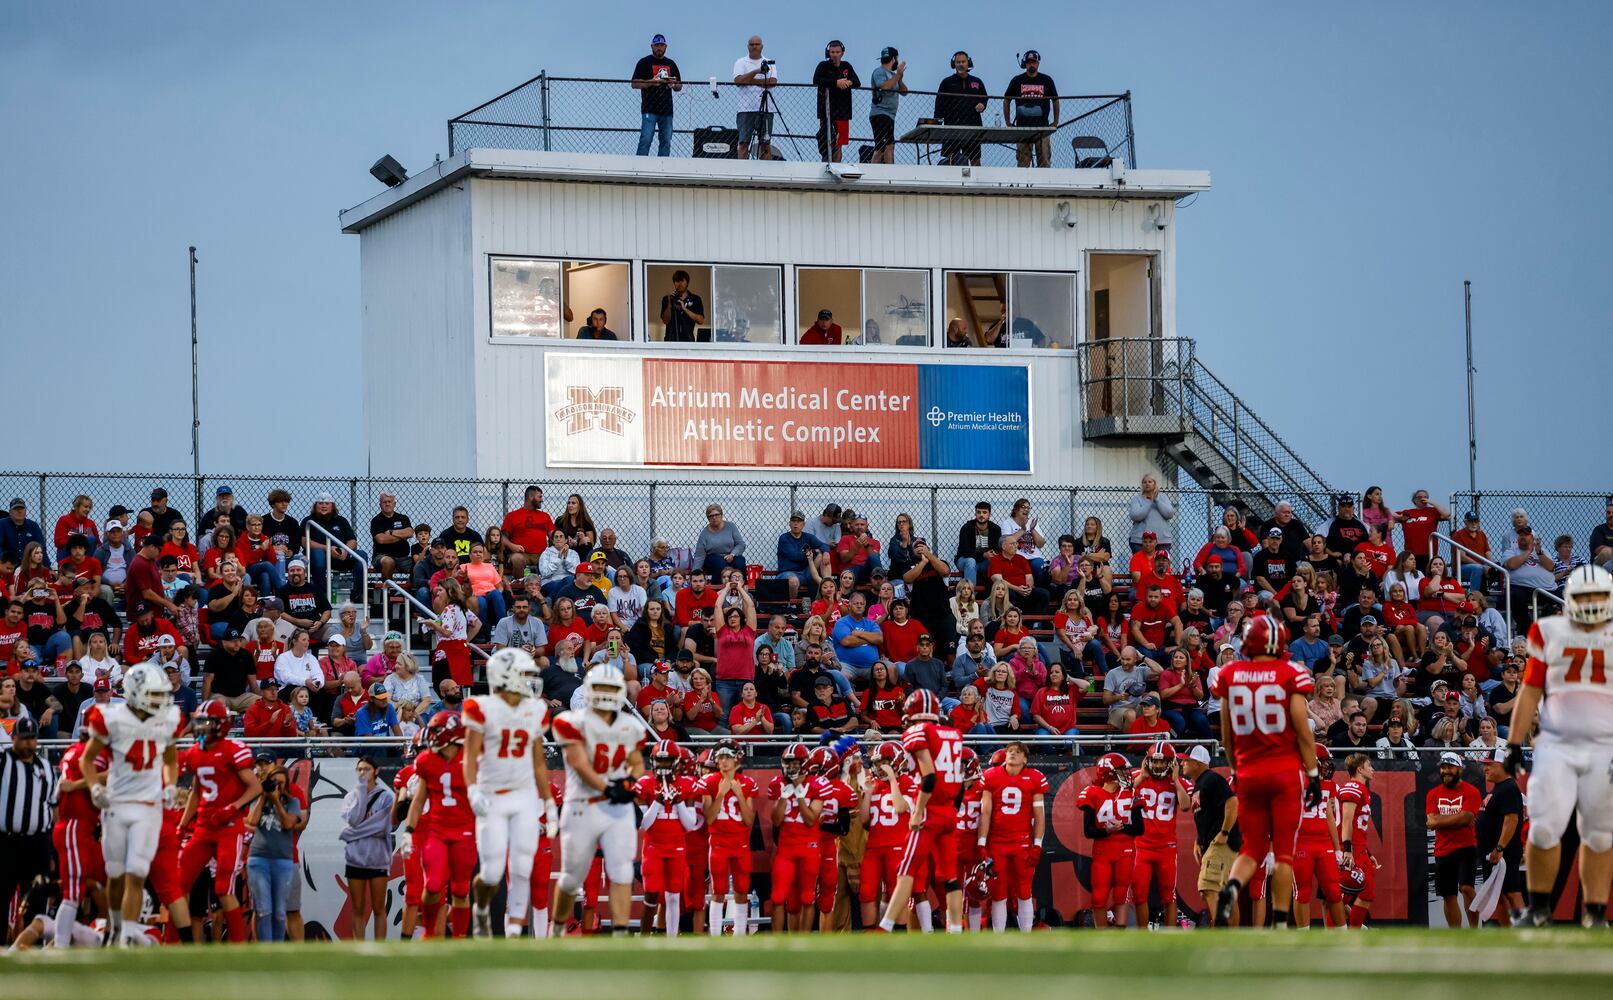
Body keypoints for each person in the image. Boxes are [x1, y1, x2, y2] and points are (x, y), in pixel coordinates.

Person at [1507, 565, 1613, 927]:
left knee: (1600, 833)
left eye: (1598, 596)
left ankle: (1595, 913)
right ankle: (1538, 910)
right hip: (1557, 742)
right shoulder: (1550, 630)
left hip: (1605, 745)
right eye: (1585, 598)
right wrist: (1513, 742)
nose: (1592, 604)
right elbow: (1531, 689)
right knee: (1544, 826)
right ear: (1570, 600)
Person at [1211, 615, 1322, 928]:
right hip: (1285, 771)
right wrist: (1313, 774)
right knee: (1284, 854)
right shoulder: (1290, 672)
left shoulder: (1230, 673)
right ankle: (1281, 922)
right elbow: (1303, 730)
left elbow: (1227, 732)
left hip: (1248, 771)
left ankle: (1232, 887)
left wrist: (1235, 768)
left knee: (1252, 849)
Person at [80, 661, 183, 945]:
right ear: (135, 693)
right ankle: (114, 927)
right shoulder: (110, 718)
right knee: (115, 874)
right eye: (153, 694)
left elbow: (171, 759)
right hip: (117, 803)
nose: (159, 700)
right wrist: (94, 788)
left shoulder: (166, 719)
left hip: (148, 805)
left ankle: (125, 935)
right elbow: (86, 760)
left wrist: (171, 784)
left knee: (137, 873)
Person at [460, 648, 559, 938]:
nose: (529, 681)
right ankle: (480, 909)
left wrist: (549, 803)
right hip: (492, 794)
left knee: (521, 867)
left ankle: (514, 933)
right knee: (491, 872)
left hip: (525, 794)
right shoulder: (481, 707)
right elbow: (470, 755)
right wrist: (473, 789)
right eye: (524, 675)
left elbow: (539, 761)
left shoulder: (535, 710)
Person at [548, 664, 650, 936]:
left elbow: (637, 764)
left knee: (622, 873)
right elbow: (579, 764)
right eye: (601, 688)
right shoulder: (572, 722)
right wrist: (610, 788)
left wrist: (628, 782)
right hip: (582, 804)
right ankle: (557, 929)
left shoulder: (628, 725)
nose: (605, 694)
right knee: (571, 879)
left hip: (615, 807)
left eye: (610, 689)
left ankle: (618, 934)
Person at [876, 690, 966, 933]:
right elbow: (958, 781)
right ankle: (956, 930)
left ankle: (884, 927)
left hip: (930, 809)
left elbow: (929, 778)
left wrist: (918, 812)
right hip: (948, 811)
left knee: (906, 869)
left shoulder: (918, 732)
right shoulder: (954, 734)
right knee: (950, 877)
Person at [177, 699, 260, 944]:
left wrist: (232, 808)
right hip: (203, 827)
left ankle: (236, 947)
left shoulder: (233, 749)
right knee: (177, 886)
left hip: (228, 827)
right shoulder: (194, 753)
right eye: (199, 722)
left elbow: (254, 787)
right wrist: (182, 825)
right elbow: (195, 791)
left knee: (224, 889)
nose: (201, 727)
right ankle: (172, 945)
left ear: (221, 724)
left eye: (206, 722)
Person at [976, 741, 1046, 933]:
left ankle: (1026, 935)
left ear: (1025, 759)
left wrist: (1037, 844)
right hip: (997, 842)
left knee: (1024, 891)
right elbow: (986, 813)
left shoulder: (1034, 778)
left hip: (1022, 841)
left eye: (1017, 752)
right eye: (1010, 751)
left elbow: (1039, 816)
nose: (1012, 754)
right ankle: (999, 936)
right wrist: (982, 843)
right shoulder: (991, 776)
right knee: (998, 892)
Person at [634, 741, 699, 937]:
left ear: (676, 762)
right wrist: (657, 803)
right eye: (659, 761)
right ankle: (644, 939)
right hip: (654, 845)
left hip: (677, 846)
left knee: (673, 895)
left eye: (666, 760)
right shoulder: (645, 784)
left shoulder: (686, 784)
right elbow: (644, 824)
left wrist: (678, 802)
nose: (662, 765)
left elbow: (690, 824)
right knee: (651, 893)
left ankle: (671, 939)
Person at [699, 739, 758, 935]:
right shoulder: (709, 781)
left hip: (740, 842)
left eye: (727, 757)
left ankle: (740, 935)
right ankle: (715, 935)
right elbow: (709, 818)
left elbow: (749, 821)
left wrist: (739, 795)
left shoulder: (747, 783)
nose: (723, 761)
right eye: (720, 757)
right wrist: (721, 795)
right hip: (718, 842)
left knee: (741, 890)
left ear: (737, 760)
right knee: (718, 891)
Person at [1180, 744, 1239, 925]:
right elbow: (1207, 816)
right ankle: (1231, 933)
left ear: (1197, 763)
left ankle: (1221, 931)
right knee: (1222, 890)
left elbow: (1232, 803)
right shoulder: (1200, 784)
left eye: (1186, 760)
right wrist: (1199, 840)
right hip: (1212, 842)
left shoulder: (1211, 780)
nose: (1182, 763)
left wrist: (1224, 832)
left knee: (1209, 886)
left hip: (1221, 843)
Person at [246, 761, 305, 942]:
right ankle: (264, 950)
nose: (277, 786)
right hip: (259, 858)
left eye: (281, 782)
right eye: (274, 782)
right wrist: (264, 797)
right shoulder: (258, 799)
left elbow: (289, 824)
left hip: (283, 860)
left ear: (286, 784)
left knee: (280, 911)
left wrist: (277, 801)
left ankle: (277, 948)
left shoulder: (292, 802)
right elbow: (251, 821)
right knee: (263, 909)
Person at [1425, 750, 1481, 927]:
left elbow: (1466, 818)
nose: (1445, 771)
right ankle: (1456, 936)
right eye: (1443, 767)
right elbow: (1432, 821)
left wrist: (1440, 821)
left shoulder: (1471, 791)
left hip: (1466, 847)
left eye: (1450, 767)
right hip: (1442, 849)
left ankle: (1473, 931)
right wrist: (1458, 819)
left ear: (1460, 769)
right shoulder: (1433, 793)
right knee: (1448, 895)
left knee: (1467, 888)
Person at [1475, 746, 1525, 926]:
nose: (1485, 768)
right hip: (1494, 853)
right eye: (1484, 765)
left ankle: (1528, 935)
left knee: (1512, 892)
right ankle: (1508, 934)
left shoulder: (1509, 788)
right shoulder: (1499, 788)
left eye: (1490, 764)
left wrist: (1500, 848)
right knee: (1501, 894)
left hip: (1504, 853)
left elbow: (1511, 820)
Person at [1335, 753, 1377, 927]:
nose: (1372, 769)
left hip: (1359, 848)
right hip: (1350, 848)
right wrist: (1347, 850)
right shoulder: (1352, 787)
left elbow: (1356, 825)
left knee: (1367, 894)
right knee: (1343, 896)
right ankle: (1337, 933)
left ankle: (1354, 930)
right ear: (1359, 769)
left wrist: (1368, 852)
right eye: (1369, 766)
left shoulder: (1363, 790)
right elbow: (1346, 821)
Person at [1001, 50, 1058, 167]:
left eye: (1034, 62)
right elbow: (1006, 99)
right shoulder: (1017, 80)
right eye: (1028, 62)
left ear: (1038, 63)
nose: (1031, 64)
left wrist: (1056, 121)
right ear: (1025, 64)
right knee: (1023, 161)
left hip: (1042, 127)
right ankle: (1024, 184)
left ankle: (1043, 184)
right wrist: (1008, 121)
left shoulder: (1047, 80)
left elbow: (1055, 100)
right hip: (1022, 127)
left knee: (1044, 160)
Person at [632, 33, 681, 157]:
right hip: (649, 109)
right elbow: (634, 84)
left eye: (661, 45)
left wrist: (673, 84)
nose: (659, 48)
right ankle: (639, 167)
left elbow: (680, 86)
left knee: (666, 141)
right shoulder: (644, 62)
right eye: (657, 45)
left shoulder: (671, 64)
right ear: (652, 46)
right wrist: (651, 82)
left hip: (667, 110)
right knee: (646, 139)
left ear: (666, 47)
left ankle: (663, 168)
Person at [811, 39, 860, 163]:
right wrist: (835, 83)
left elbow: (857, 82)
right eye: (832, 52)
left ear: (842, 53)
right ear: (828, 53)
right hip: (826, 111)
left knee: (839, 145)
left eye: (837, 52)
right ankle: (825, 168)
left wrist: (848, 82)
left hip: (843, 111)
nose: (835, 54)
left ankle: (837, 167)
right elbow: (816, 80)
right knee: (826, 144)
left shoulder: (847, 66)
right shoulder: (823, 65)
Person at [933, 51, 986, 165]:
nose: (961, 64)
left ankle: (976, 182)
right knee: (952, 159)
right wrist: (936, 123)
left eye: (963, 61)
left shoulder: (977, 81)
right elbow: (939, 104)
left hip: (973, 127)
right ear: (954, 64)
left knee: (975, 159)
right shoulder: (946, 82)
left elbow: (984, 99)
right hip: (952, 128)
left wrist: (983, 105)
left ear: (968, 63)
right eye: (958, 62)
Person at [732, 36, 778, 161]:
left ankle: (765, 173)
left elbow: (773, 82)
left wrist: (749, 80)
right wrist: (757, 71)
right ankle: (742, 172)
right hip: (746, 109)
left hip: (766, 109)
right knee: (743, 142)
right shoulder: (741, 62)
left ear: (762, 46)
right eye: (752, 44)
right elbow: (738, 81)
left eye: (757, 44)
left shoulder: (769, 62)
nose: (754, 47)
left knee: (765, 144)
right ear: (748, 46)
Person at [868, 46, 907, 164]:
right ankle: (881, 171)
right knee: (884, 146)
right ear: (894, 59)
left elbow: (904, 92)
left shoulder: (894, 75)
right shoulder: (879, 72)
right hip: (880, 113)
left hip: (889, 115)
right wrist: (897, 75)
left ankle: (888, 170)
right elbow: (884, 87)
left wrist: (899, 78)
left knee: (888, 145)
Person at [776, 510, 825, 601]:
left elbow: (823, 546)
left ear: (803, 524)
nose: (796, 524)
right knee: (793, 581)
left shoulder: (808, 537)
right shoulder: (784, 538)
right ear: (789, 523)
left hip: (806, 573)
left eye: (799, 521)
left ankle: (826, 580)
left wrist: (825, 553)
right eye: (793, 521)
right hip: (787, 573)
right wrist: (813, 551)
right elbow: (795, 556)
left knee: (821, 554)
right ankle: (791, 607)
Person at [693, 504, 746, 580]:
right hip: (713, 558)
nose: (714, 518)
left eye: (717, 515)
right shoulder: (704, 534)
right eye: (711, 516)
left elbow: (740, 544)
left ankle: (740, 586)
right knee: (720, 563)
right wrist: (694, 573)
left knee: (740, 561)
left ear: (721, 515)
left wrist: (732, 554)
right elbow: (699, 555)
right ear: (708, 518)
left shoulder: (731, 527)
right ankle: (717, 588)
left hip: (731, 556)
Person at [1127, 475, 1175, 554]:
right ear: (1142, 485)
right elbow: (1135, 516)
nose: (1147, 484)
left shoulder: (1163, 497)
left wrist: (1156, 500)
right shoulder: (1137, 499)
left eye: (1150, 482)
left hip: (1162, 540)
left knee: (1161, 565)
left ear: (1154, 484)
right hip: (1140, 541)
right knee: (1141, 565)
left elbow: (1169, 514)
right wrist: (1150, 502)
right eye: (1144, 482)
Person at [660, 269, 708, 343]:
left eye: (682, 281)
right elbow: (665, 320)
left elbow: (700, 320)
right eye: (677, 281)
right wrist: (670, 302)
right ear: (674, 283)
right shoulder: (667, 298)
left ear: (687, 282)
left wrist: (684, 309)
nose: (680, 284)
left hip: (688, 340)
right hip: (670, 340)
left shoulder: (695, 299)